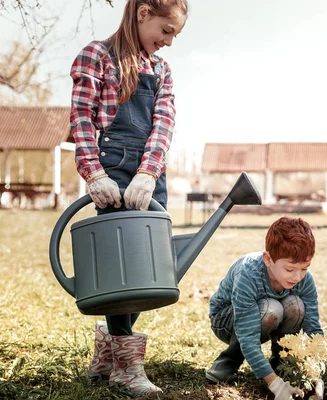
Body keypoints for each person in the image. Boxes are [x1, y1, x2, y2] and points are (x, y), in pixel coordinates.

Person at [69, 0, 187, 396]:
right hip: (111, 169)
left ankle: (109, 345)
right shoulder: (96, 56)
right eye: (166, 30)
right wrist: (95, 172)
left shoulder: (162, 70)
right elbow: (82, 119)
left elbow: (164, 123)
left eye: (175, 35)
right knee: (123, 267)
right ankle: (127, 366)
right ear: (142, 13)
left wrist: (149, 172)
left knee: (149, 265)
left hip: (149, 177)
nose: (169, 42)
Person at [206, 217, 324, 400]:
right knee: (272, 308)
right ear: (268, 259)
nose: (297, 277)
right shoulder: (248, 275)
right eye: (290, 269)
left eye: (304, 268)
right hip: (226, 321)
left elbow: (313, 328)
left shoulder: (304, 281)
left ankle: (280, 364)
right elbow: (247, 335)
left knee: (297, 306)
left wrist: (314, 373)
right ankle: (228, 362)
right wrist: (274, 384)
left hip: (266, 315)